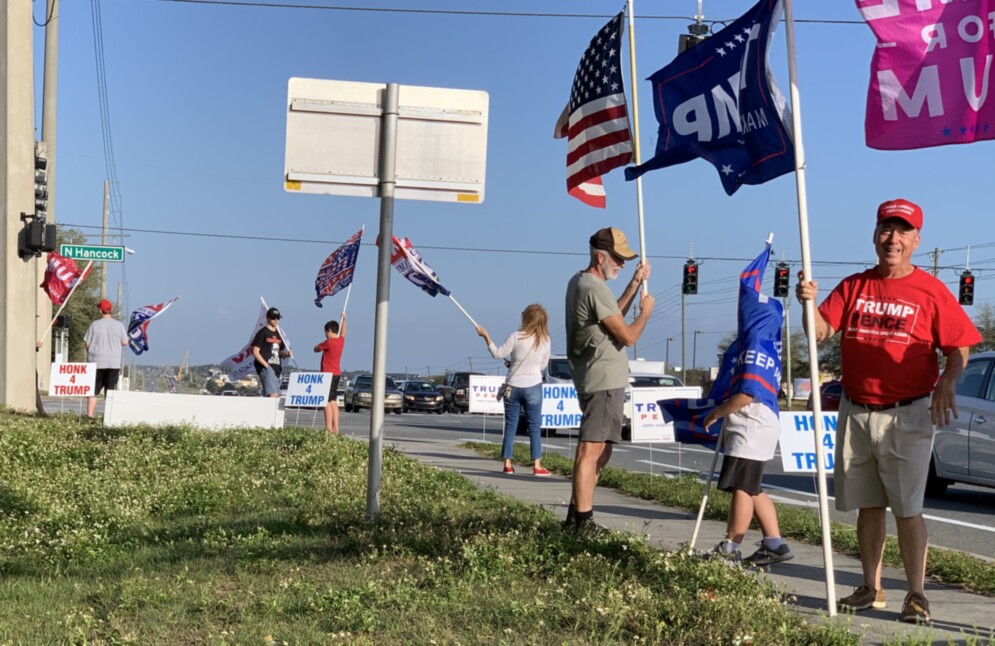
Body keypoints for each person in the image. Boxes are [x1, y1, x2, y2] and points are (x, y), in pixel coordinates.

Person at [796, 198, 981, 625]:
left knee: (907, 509)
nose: (892, 239)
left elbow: (959, 347)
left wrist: (947, 381)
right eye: (885, 229)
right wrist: (808, 303)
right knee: (867, 506)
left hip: (908, 414)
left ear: (916, 240)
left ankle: (916, 594)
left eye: (902, 231)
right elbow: (822, 331)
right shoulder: (854, 285)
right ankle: (870, 586)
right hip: (857, 411)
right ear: (875, 233)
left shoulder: (931, 290)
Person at [563, 227, 654, 531]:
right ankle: (582, 520)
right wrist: (645, 314)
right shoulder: (593, 287)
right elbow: (627, 335)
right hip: (601, 379)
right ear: (600, 256)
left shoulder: (584, 282)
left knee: (603, 449)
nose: (622, 263)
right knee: (592, 450)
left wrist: (634, 283)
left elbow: (612, 314)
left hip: (602, 378)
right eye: (617, 258)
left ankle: (577, 516)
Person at [703, 391, 794, 566]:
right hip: (759, 426)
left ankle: (729, 548)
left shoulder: (750, 362)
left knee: (741, 486)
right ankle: (774, 544)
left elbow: (746, 394)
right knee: (752, 486)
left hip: (748, 429)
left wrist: (717, 413)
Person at [476, 304, 552, 476]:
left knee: (511, 425)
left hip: (513, 385)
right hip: (533, 386)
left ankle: (508, 463)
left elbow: (497, 353)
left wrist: (485, 336)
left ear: (527, 318)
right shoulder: (545, 340)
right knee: (534, 425)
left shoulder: (516, 337)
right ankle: (537, 465)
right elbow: (542, 366)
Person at [83, 299, 129, 418]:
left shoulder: (95, 324)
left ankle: (89, 416)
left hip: (96, 363)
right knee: (110, 393)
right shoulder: (119, 325)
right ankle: (108, 417)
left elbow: (87, 342)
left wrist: (91, 353)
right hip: (113, 363)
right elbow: (125, 342)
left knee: (93, 392)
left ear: (100, 310)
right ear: (111, 310)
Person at [314, 313, 346, 434]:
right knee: (333, 400)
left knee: (326, 401)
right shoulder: (340, 341)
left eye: (326, 332)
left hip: (327, 375)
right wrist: (344, 320)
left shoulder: (329, 342)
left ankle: (328, 427)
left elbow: (316, 349)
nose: (325, 335)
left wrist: (318, 345)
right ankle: (335, 427)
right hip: (337, 373)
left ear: (329, 330)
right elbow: (343, 333)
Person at [252, 307, 293, 398]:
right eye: (273, 318)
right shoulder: (263, 333)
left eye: (278, 318)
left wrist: (287, 354)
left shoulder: (279, 334)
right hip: (266, 367)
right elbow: (255, 351)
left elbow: (280, 352)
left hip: (277, 368)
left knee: (274, 395)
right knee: (272, 395)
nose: (276, 320)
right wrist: (266, 366)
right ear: (268, 318)